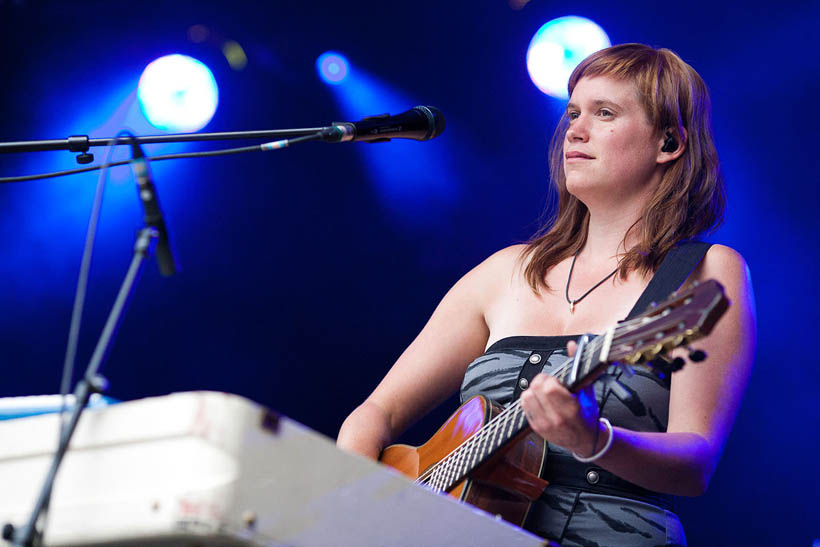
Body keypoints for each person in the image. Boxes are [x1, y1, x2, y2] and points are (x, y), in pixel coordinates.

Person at [336, 43, 756, 546]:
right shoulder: (506, 271)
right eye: (573, 112)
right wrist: (357, 509)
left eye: (605, 113)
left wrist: (594, 439)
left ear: (669, 143)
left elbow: (697, 463)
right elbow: (374, 415)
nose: (575, 130)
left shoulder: (706, 271)